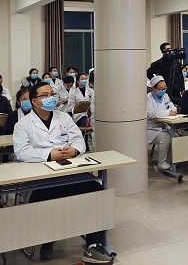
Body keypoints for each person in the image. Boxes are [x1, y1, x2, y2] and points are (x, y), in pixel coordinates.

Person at [13, 82, 113, 264]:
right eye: (45, 95)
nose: (51, 98)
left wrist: (74, 150)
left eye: (52, 94)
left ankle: (94, 245)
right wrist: (48, 154)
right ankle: (47, 240)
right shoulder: (23, 125)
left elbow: (78, 139)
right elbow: (21, 152)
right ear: (34, 101)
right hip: (41, 178)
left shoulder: (64, 117)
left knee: (96, 190)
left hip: (69, 172)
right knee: (47, 201)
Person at [146, 76, 174, 170]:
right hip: (151, 128)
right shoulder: (148, 98)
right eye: (160, 89)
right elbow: (152, 114)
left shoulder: (165, 96)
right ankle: (161, 163)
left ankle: (170, 162)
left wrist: (170, 111)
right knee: (166, 138)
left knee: (175, 137)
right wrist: (167, 113)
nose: (163, 91)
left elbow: (173, 108)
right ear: (154, 88)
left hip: (163, 125)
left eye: (164, 88)